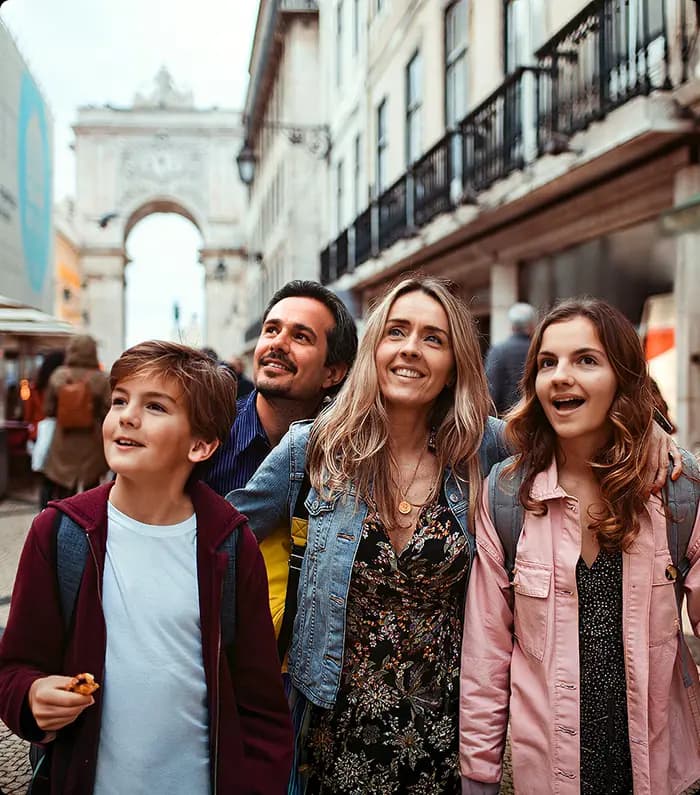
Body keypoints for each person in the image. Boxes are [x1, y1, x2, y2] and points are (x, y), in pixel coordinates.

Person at [232, 276, 510, 793]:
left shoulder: (481, 448)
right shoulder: (314, 447)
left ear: (454, 366)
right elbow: (221, 538)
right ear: (374, 349)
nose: (411, 348)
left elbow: (575, 444)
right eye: (396, 331)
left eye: (434, 338)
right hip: (331, 733)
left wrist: (657, 443)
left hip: (443, 734)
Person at [0, 341, 293, 794]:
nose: (127, 416)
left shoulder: (229, 543)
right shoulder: (59, 533)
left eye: (155, 406)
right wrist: (32, 697)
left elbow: (260, 703)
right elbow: (14, 667)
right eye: (120, 400)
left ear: (201, 444)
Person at [459, 298, 700, 795]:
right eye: (548, 362)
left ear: (623, 377)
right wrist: (479, 776)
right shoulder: (507, 497)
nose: (561, 377)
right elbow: (486, 657)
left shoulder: (677, 490)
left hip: (659, 773)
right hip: (550, 777)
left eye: (586, 360)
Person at [205, 280, 358, 496]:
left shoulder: (351, 460)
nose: (277, 343)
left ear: (332, 373)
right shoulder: (207, 437)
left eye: (300, 337)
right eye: (271, 330)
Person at [42, 334, 111, 500]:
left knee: (60, 490)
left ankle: (59, 521)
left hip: (62, 441)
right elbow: (107, 411)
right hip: (92, 443)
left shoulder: (58, 375)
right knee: (91, 492)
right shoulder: (101, 379)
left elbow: (48, 409)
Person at [23, 350, 65, 509]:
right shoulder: (62, 387)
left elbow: (28, 415)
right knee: (58, 479)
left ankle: (43, 512)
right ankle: (56, 511)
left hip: (38, 436)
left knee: (44, 479)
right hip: (57, 436)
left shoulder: (34, 387)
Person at [485, 301, 537, 415]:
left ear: (512, 326)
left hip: (506, 420)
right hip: (534, 417)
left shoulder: (498, 351)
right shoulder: (539, 351)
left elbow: (492, 391)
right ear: (532, 326)